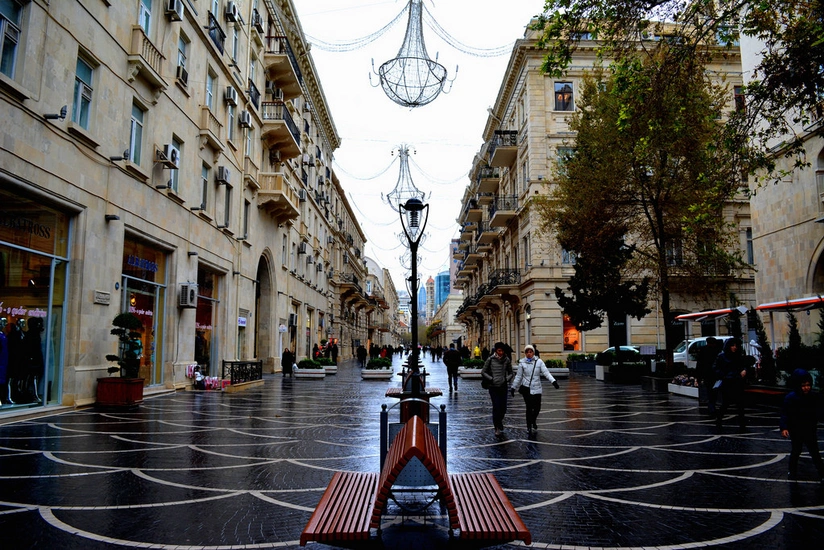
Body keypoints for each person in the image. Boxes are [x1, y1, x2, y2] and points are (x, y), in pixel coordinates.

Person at [780, 369, 824, 481]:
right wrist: (784, 427)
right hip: (796, 429)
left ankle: (822, 473)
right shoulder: (791, 398)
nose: (806, 388)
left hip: (809, 428)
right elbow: (785, 413)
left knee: (814, 452)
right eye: (803, 385)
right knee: (796, 450)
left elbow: (818, 411)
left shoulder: (813, 397)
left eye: (808, 385)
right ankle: (792, 471)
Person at [511, 344, 559, 434]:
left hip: (537, 388)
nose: (529, 354)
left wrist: (553, 381)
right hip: (526, 389)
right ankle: (529, 425)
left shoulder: (539, 362)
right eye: (527, 352)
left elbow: (546, 373)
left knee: (537, 408)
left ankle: (533, 420)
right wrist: (513, 387)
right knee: (529, 408)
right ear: (525, 353)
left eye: (530, 352)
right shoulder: (522, 363)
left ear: (533, 352)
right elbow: (518, 376)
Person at [713, 337, 748, 429]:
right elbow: (716, 368)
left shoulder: (738, 356)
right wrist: (724, 375)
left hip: (737, 381)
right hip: (727, 382)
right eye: (732, 345)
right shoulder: (722, 356)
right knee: (726, 403)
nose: (734, 347)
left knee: (740, 403)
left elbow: (743, 365)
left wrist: (744, 370)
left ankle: (742, 423)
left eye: (736, 346)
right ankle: (719, 419)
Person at [481, 342, 513, 436]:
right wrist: (491, 379)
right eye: (499, 350)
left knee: (503, 408)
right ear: (496, 350)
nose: (501, 352)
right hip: (493, 387)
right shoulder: (490, 359)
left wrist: (506, 379)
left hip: (503, 386)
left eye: (502, 351)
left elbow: (511, 373)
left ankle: (500, 421)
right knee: (496, 407)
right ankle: (497, 428)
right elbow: (483, 372)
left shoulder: (506, 360)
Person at [696, 337, 722, 416]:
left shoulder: (703, 350)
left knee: (709, 390)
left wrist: (699, 376)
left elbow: (699, 364)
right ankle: (712, 405)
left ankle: (711, 405)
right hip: (715, 374)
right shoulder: (717, 350)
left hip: (707, 373)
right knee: (714, 390)